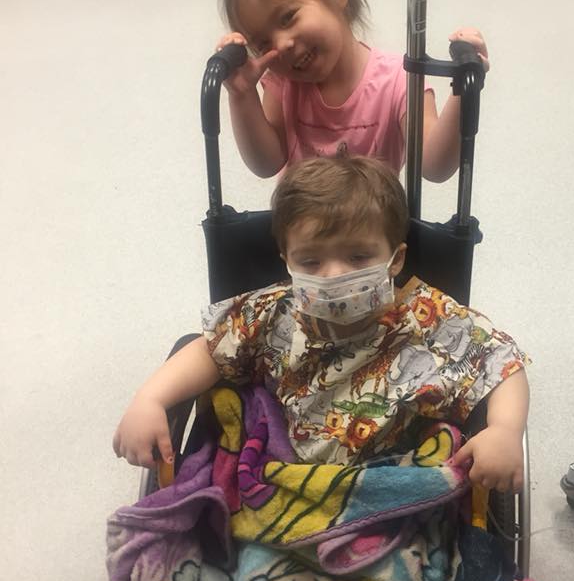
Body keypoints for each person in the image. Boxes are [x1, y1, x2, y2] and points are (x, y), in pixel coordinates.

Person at [113, 156, 528, 495]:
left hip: (391, 483)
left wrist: (505, 431)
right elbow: (208, 350)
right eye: (310, 261)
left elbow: (501, 363)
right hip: (282, 476)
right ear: (288, 262)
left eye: (358, 257)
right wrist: (150, 399)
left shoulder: (429, 320)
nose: (333, 274)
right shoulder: (273, 312)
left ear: (396, 259)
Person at [214, 0, 489, 181]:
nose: (282, 44)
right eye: (264, 44)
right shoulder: (283, 83)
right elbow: (266, 163)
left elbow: (433, 166)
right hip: (300, 220)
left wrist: (465, 88)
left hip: (375, 221)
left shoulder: (399, 81)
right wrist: (242, 95)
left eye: (288, 17)